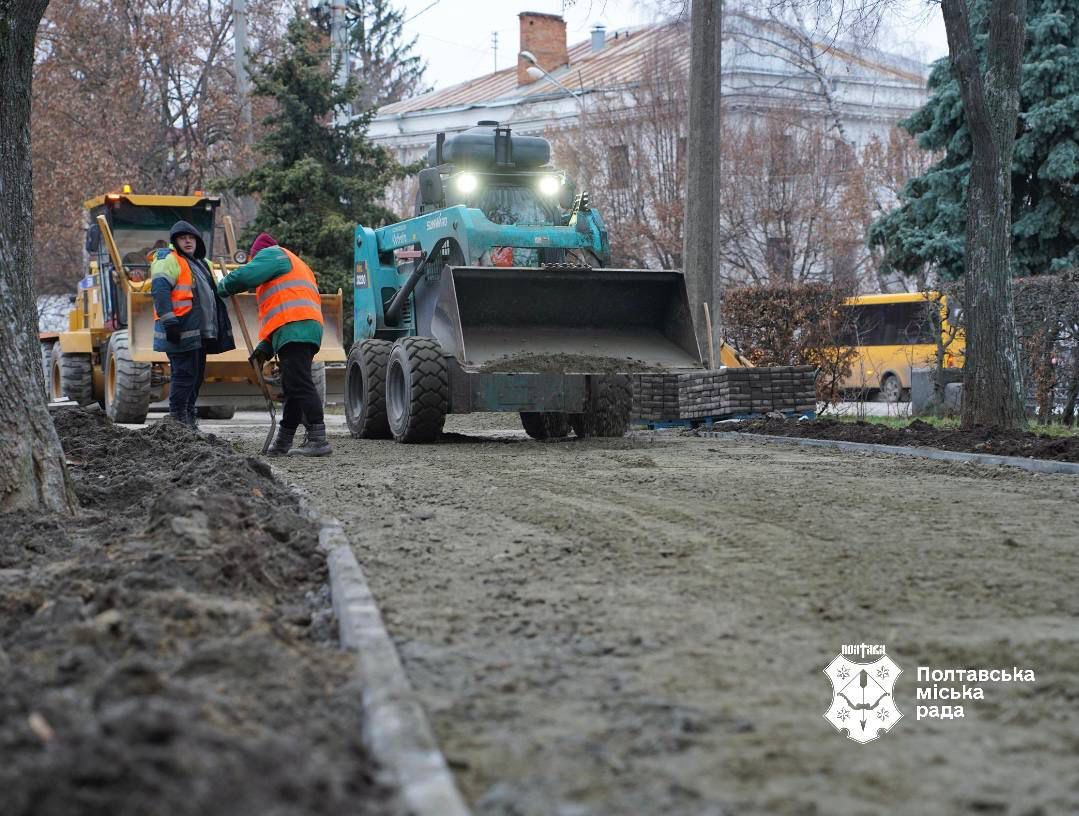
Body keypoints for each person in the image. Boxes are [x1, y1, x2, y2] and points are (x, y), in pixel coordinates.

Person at [216, 233, 330, 457]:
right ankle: (283, 442)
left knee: (299, 384)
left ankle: (318, 438)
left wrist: (223, 286)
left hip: (295, 326)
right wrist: (264, 349)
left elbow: (245, 276)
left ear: (256, 254)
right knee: (293, 387)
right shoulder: (291, 265)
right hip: (300, 327)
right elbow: (279, 315)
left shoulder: (272, 254)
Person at [150, 221, 234, 427]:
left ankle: (188, 420)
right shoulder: (168, 259)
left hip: (199, 332)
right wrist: (170, 322)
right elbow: (160, 290)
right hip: (180, 329)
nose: (187, 241)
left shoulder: (202, 263)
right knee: (184, 375)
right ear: (175, 242)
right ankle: (177, 422)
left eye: (191, 237)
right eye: (182, 238)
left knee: (195, 377)